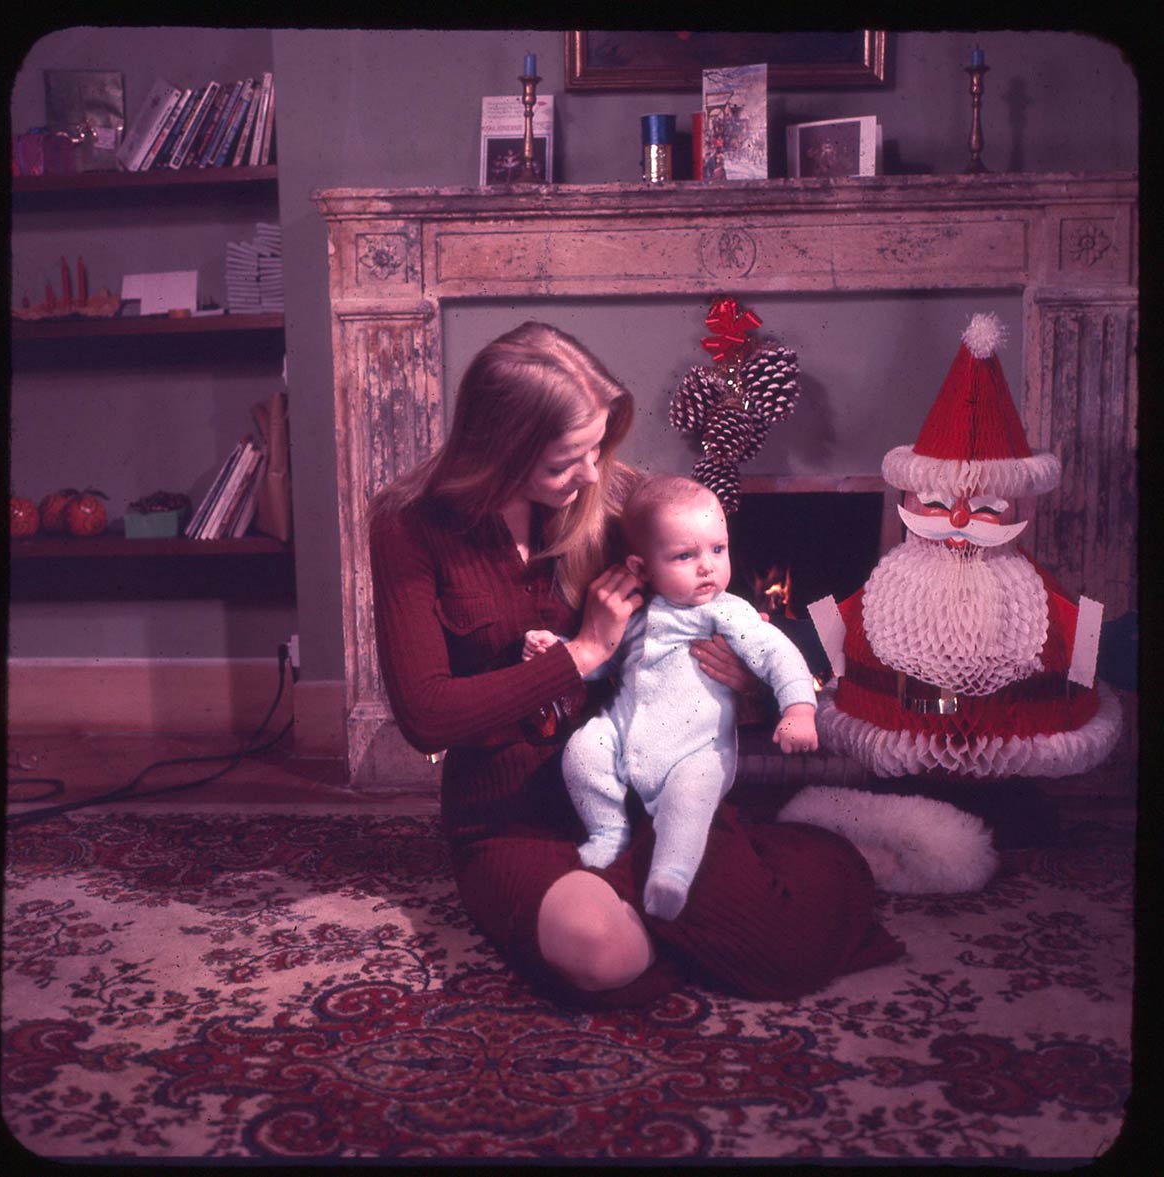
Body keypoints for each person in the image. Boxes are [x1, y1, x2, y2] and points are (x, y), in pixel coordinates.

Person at [366, 320, 904, 1007]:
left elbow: (717, 608)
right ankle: (676, 912)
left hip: (645, 787)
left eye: (597, 449)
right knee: (607, 957)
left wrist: (743, 676)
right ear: (499, 449)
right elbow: (426, 714)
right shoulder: (409, 526)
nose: (593, 474)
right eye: (565, 461)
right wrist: (583, 653)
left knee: (783, 954)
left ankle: (815, 856)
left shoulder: (618, 497)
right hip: (511, 818)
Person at [783, 312, 1122, 893]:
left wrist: (1109, 647)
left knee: (1015, 812)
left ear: (1019, 507)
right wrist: (765, 647)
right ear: (910, 495)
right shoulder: (889, 585)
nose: (960, 519)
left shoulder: (1039, 594)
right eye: (939, 504)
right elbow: (828, 631)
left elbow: (1088, 639)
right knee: (905, 772)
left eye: (984, 508)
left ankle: (999, 818)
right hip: (905, 744)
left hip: (1010, 753)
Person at [523, 475, 819, 921]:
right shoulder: (635, 611)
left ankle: (672, 875)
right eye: (685, 556)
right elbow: (602, 659)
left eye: (717, 549)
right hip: (624, 733)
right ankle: (608, 832)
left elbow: (778, 653)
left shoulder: (727, 612)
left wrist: (798, 708)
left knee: (689, 802)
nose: (707, 567)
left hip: (695, 752)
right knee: (583, 751)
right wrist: (559, 651)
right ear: (642, 568)